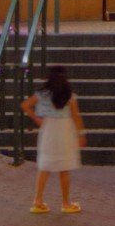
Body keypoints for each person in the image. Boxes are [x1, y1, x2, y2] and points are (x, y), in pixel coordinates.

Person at [23, 65, 84, 215]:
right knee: (64, 168)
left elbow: (25, 105)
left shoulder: (42, 94)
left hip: (48, 132)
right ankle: (66, 203)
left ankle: (37, 201)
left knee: (45, 167)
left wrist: (36, 118)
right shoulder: (70, 96)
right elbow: (76, 117)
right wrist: (81, 134)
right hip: (65, 133)